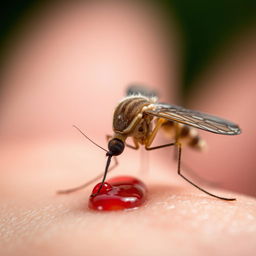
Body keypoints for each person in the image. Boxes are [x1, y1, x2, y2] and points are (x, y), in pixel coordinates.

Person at [0, 1, 255, 255]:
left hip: (166, 118)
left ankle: (188, 178)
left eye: (115, 147)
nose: (113, 149)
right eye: (115, 146)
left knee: (175, 138)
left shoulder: (141, 119)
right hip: (145, 111)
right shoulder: (118, 130)